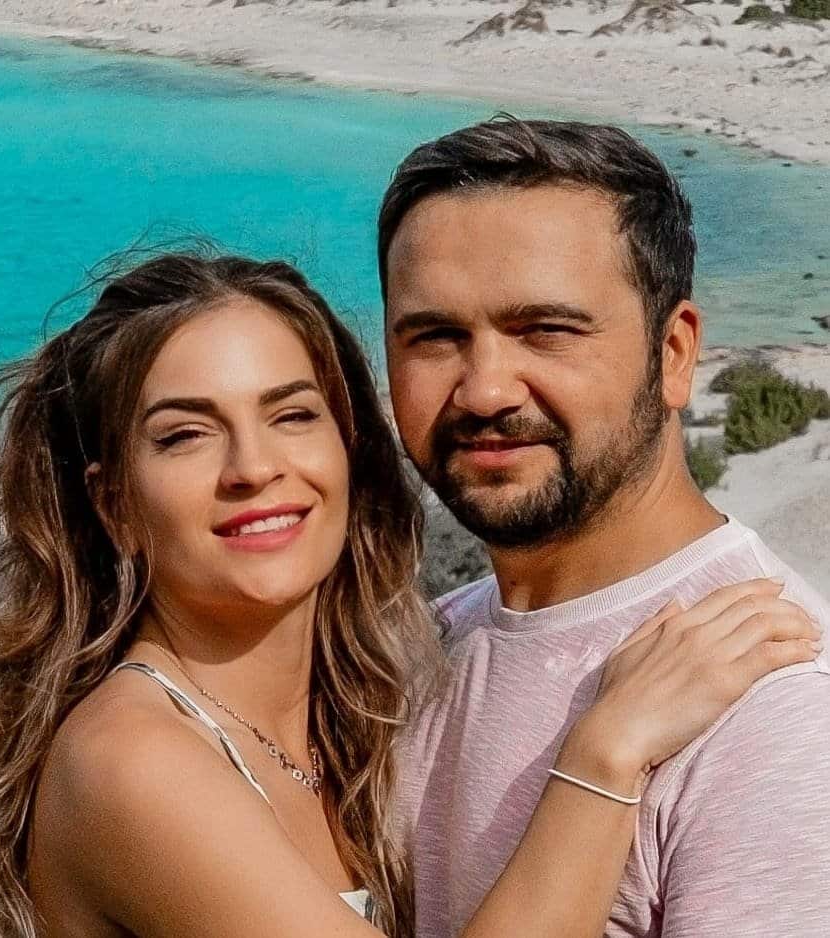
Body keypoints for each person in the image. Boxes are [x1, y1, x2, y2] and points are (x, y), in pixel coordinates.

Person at [0, 253, 818, 938]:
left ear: (350, 446)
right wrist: (607, 754)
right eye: (187, 435)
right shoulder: (133, 761)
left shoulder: (372, 707)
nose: (255, 468)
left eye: (292, 414)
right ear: (114, 500)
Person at [379, 115, 830, 938]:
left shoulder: (773, 707)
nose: (485, 391)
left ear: (674, 354)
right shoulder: (427, 645)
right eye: (435, 336)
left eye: (545, 330)